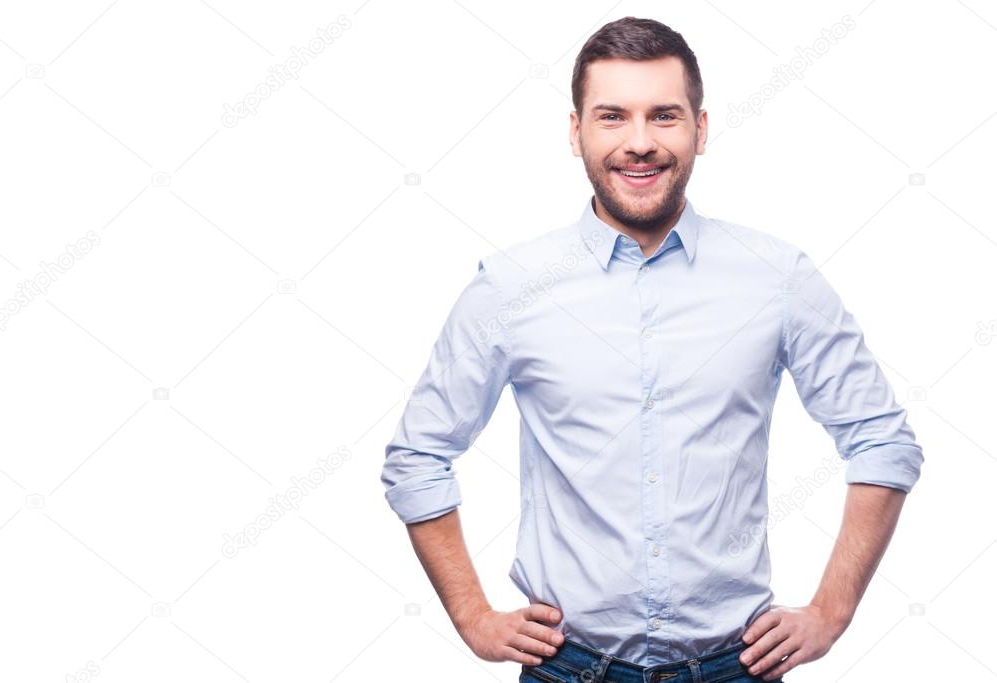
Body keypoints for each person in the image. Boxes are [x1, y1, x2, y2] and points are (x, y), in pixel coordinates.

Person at [380, 16, 923, 683]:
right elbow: (417, 457)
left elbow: (880, 439)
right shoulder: (510, 287)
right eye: (612, 116)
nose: (639, 143)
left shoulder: (776, 277)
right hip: (566, 669)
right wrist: (473, 614)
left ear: (699, 126)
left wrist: (830, 610)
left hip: (735, 667)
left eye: (662, 116)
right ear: (575, 132)